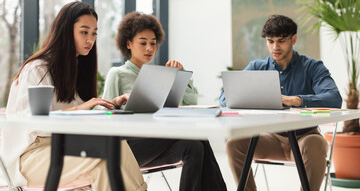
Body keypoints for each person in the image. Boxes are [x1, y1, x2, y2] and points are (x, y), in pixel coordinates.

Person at [0, 1, 147, 191]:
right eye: (84, 32)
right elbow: (31, 122)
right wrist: (77, 109)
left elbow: (83, 112)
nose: (90, 40)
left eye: (94, 33)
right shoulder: (37, 69)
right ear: (66, 31)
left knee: (110, 156)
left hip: (62, 148)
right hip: (29, 157)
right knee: (108, 154)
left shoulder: (75, 71)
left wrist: (111, 105)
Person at [102, 11, 227, 191]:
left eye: (153, 43)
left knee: (194, 147)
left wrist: (181, 76)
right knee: (197, 135)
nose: (149, 48)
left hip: (157, 141)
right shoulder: (118, 74)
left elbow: (189, 102)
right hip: (129, 148)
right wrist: (117, 104)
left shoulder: (159, 75)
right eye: (143, 43)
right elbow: (105, 118)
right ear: (128, 43)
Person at [220, 14, 342, 191]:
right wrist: (253, 97)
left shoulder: (312, 67)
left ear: (294, 39)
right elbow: (225, 98)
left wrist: (299, 100)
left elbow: (334, 98)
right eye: (270, 41)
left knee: (315, 145)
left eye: (281, 41)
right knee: (234, 144)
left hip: (304, 138)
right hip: (271, 138)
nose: (275, 47)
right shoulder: (257, 67)